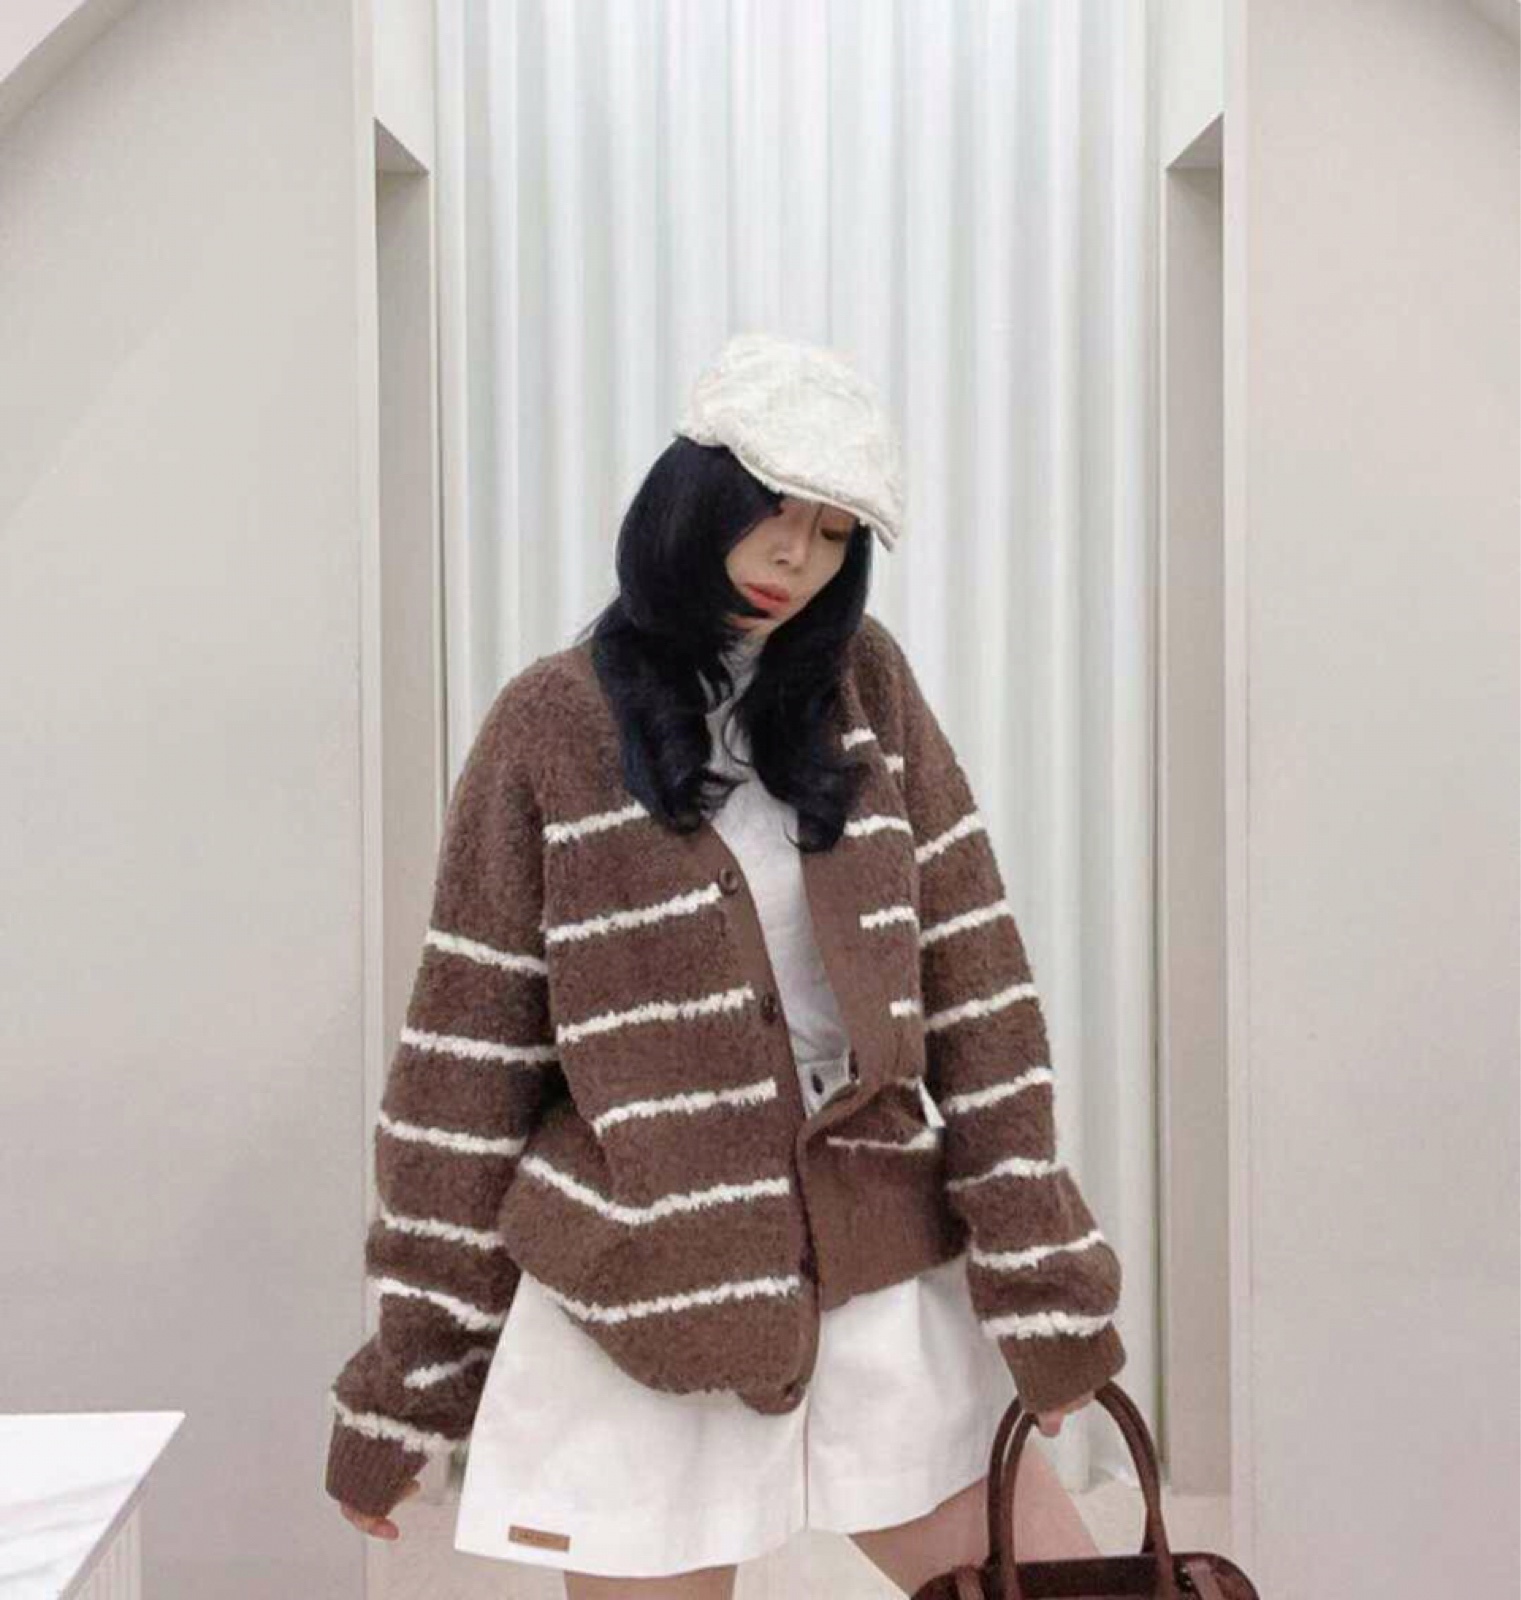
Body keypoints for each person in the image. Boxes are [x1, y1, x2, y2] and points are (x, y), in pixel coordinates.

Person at [325, 332, 1126, 1597]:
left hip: (875, 1263)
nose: (795, 557)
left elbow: (979, 989)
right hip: (645, 1294)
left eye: (833, 532)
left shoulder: (866, 692)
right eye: (771, 513)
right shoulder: (550, 726)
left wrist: (1041, 1277)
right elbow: (464, 1069)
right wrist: (408, 1383)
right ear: (691, 500)